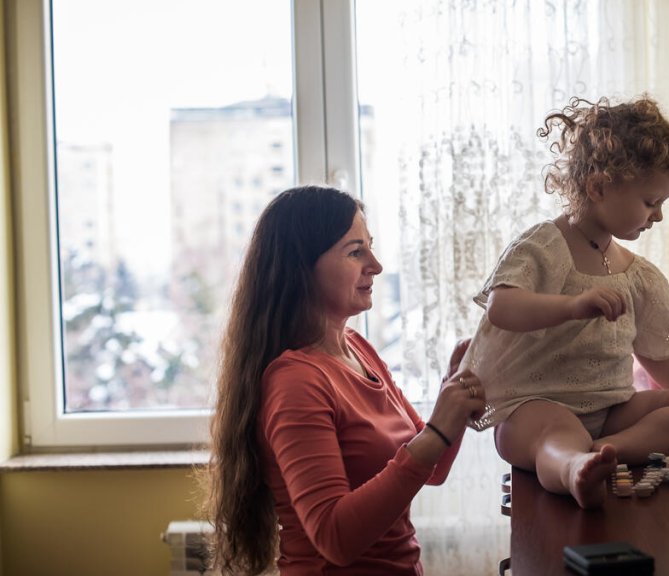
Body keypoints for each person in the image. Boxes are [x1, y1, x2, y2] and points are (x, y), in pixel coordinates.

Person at [460, 96, 669, 509]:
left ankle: (607, 451)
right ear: (599, 187)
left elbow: (658, 355)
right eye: (650, 202)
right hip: (536, 409)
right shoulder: (546, 246)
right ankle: (574, 467)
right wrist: (571, 307)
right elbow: (501, 307)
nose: (657, 216)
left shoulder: (634, 273)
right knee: (557, 435)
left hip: (612, 410)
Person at [205, 185, 486, 575]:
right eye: (356, 252)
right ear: (302, 267)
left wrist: (450, 397)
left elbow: (430, 468)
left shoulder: (358, 349)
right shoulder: (296, 382)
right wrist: (438, 430)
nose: (376, 264)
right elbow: (335, 538)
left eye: (370, 247)